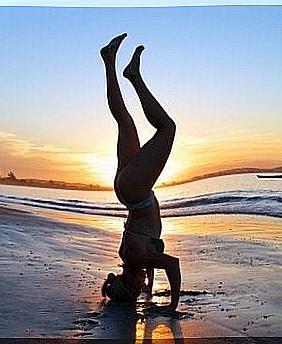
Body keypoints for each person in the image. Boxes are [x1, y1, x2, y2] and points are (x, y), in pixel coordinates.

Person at [100, 33, 181, 312]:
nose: (144, 284)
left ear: (129, 279)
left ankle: (134, 76)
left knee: (167, 129)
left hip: (136, 189)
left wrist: (172, 305)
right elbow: (153, 263)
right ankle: (109, 61)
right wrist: (146, 291)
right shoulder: (132, 258)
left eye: (137, 286)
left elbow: (172, 264)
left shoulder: (138, 258)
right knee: (124, 119)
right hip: (125, 190)